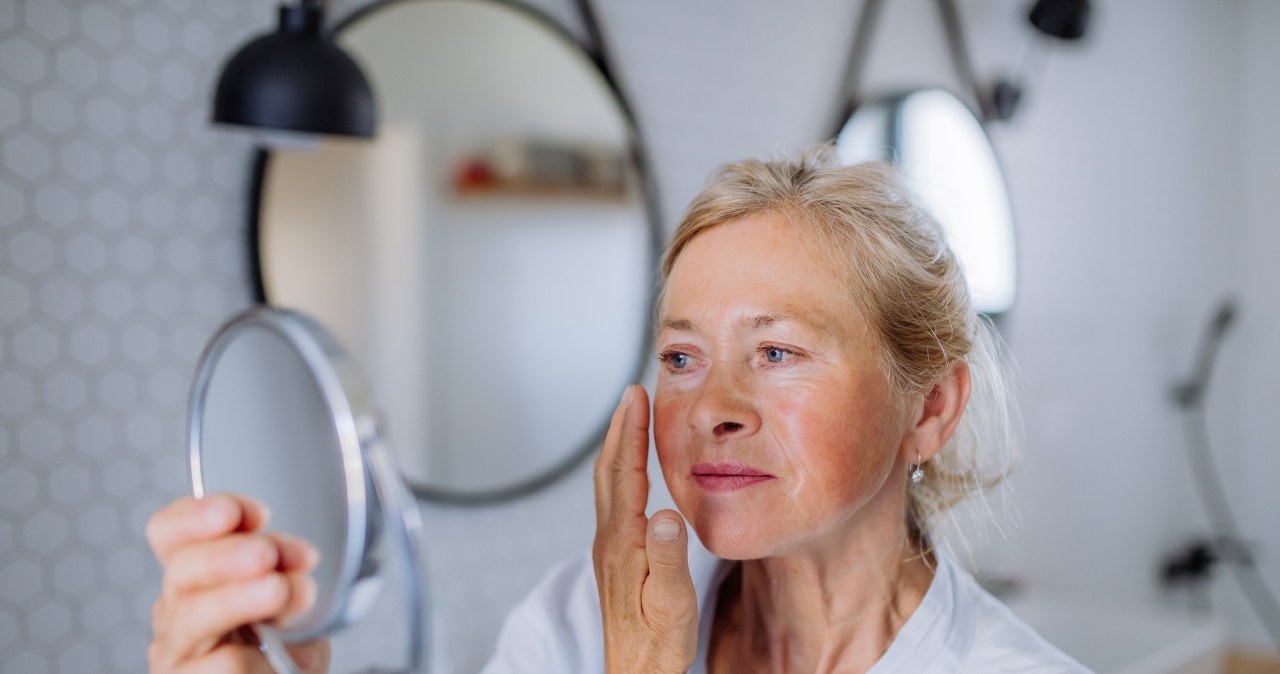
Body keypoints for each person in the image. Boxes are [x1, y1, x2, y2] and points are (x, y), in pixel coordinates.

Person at [146, 148, 1091, 673]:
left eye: (777, 352)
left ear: (930, 408)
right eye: (682, 356)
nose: (712, 406)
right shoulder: (566, 628)